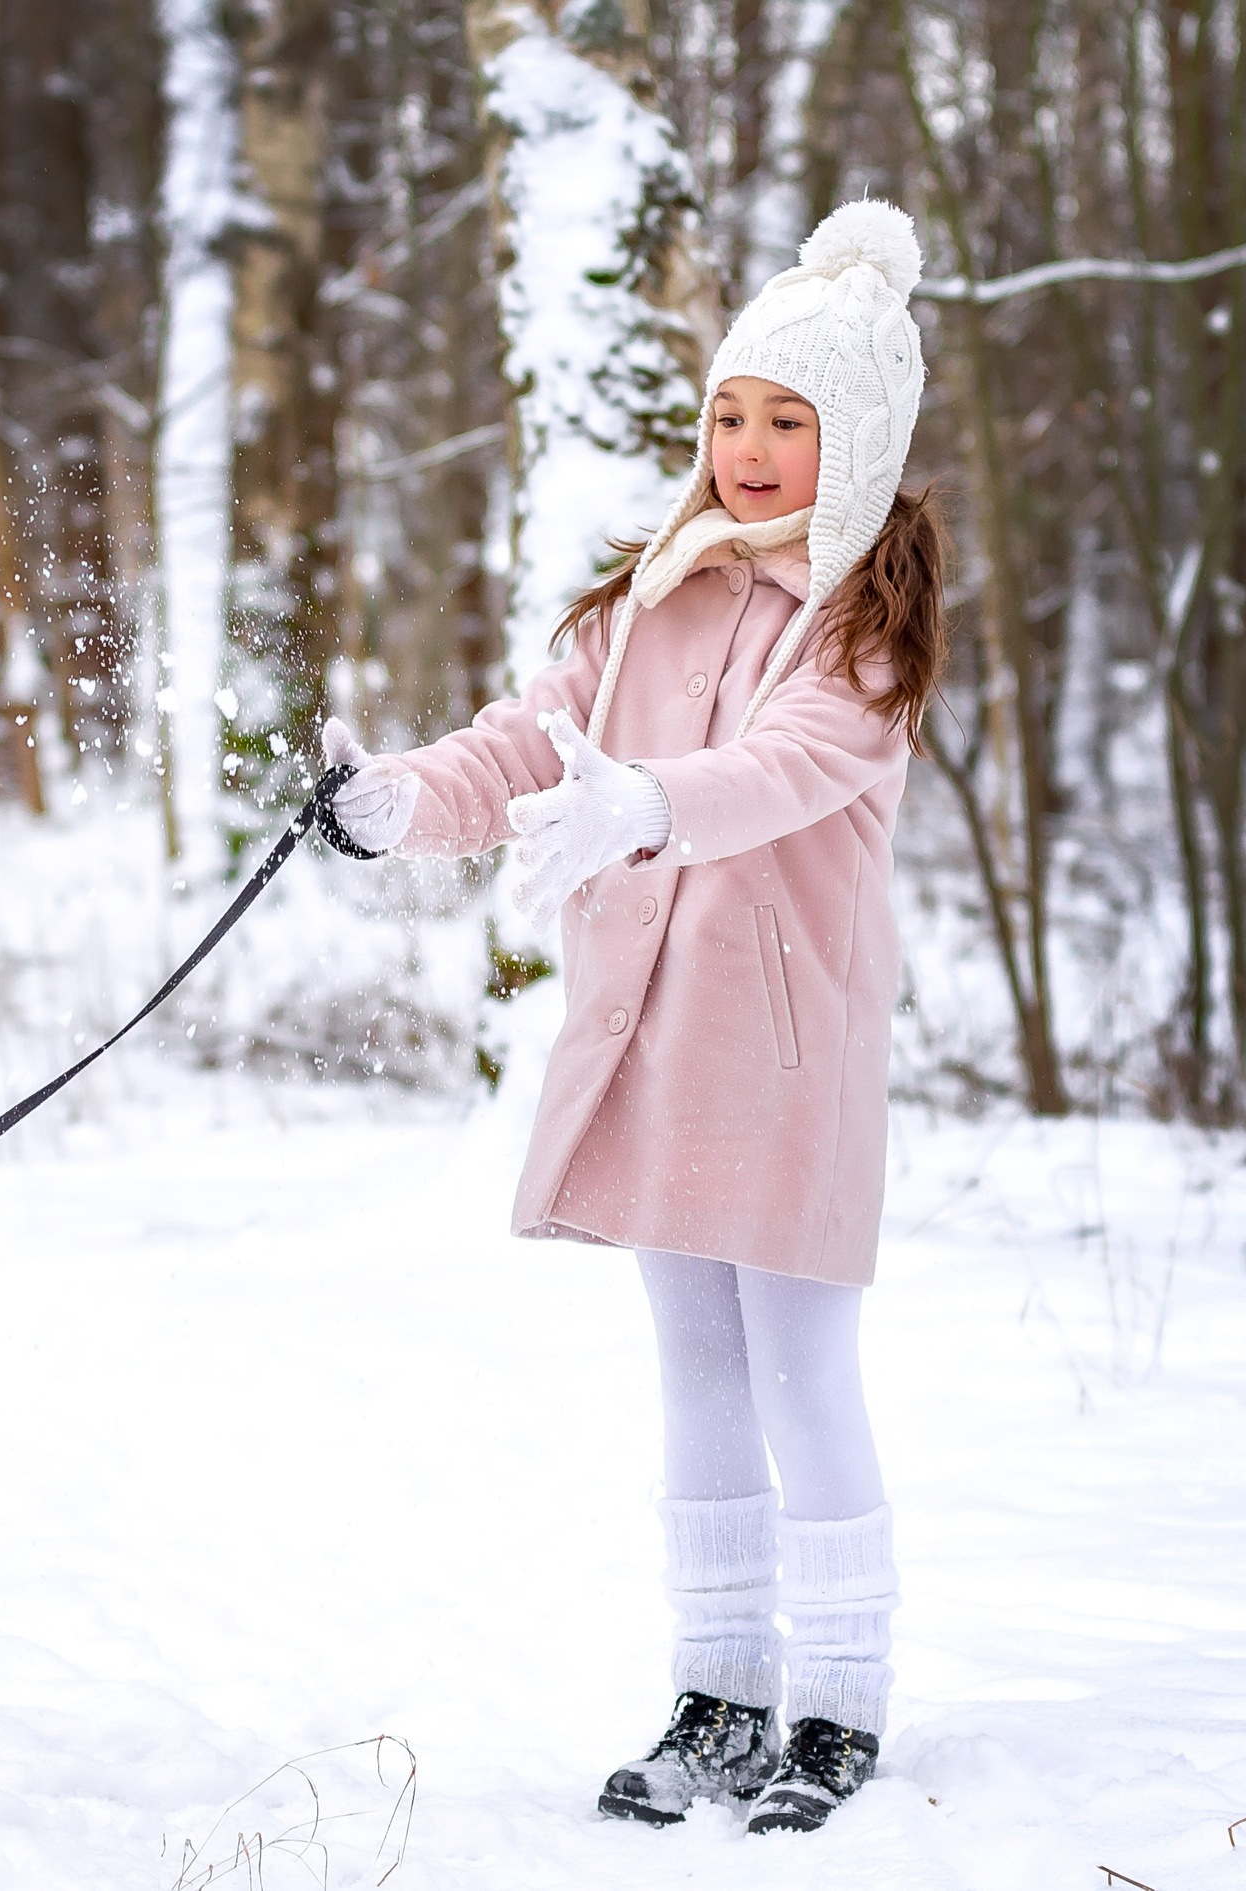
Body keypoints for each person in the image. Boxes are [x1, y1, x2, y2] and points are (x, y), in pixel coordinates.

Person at [319, 200, 948, 1836]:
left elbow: (788, 767)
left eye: (789, 422)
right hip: (656, 1038)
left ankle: (837, 1709)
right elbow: (532, 742)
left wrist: (649, 802)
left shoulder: (862, 628)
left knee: (802, 1369)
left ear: (857, 440)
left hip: (791, 1051)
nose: (747, 447)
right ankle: (722, 1689)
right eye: (732, 411)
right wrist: (401, 799)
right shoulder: (643, 600)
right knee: (697, 1371)